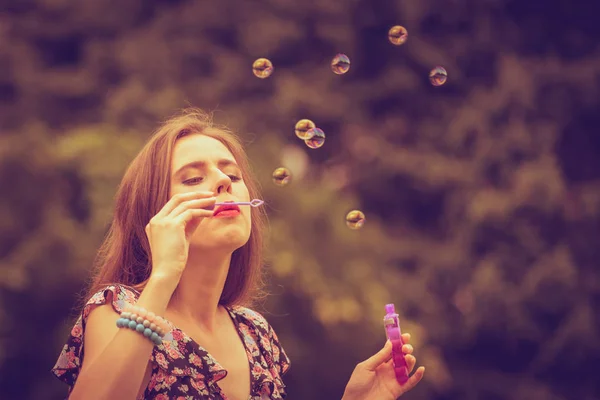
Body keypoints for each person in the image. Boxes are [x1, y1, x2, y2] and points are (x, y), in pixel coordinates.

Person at [51, 108, 425, 400]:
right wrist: (163, 275)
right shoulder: (119, 310)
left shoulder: (255, 332)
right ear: (155, 213)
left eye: (230, 173)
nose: (224, 181)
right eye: (193, 178)